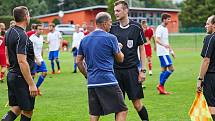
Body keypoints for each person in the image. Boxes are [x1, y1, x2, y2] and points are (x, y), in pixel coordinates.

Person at [77, 12, 127, 121]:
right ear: (104, 24)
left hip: (92, 82)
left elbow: (78, 62)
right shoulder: (111, 38)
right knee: (122, 109)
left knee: (95, 113)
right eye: (110, 23)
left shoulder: (84, 39)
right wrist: (119, 48)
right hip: (107, 80)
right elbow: (120, 59)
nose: (111, 26)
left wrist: (87, 75)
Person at [109, 1, 149, 121]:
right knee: (118, 106)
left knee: (137, 104)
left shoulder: (136, 27)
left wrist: (143, 70)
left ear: (126, 11)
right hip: (116, 71)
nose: (115, 13)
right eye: (115, 10)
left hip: (132, 70)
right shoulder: (112, 28)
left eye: (118, 10)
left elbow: (142, 49)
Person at [1, 6, 38, 121]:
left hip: (12, 74)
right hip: (20, 77)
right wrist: (31, 84)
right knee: (27, 110)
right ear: (26, 17)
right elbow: (22, 61)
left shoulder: (9, 31)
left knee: (16, 108)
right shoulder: (21, 35)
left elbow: (7, 55)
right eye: (29, 15)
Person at [197, 15, 215, 120]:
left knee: (212, 105)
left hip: (211, 77)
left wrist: (200, 79)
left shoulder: (210, 38)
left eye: (208, 23)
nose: (205, 26)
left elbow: (206, 60)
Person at [155, 13, 176, 95]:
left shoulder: (166, 29)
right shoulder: (159, 28)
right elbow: (157, 40)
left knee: (163, 70)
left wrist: (171, 51)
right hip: (162, 53)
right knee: (171, 69)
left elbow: (167, 42)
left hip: (165, 52)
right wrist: (164, 46)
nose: (169, 21)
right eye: (168, 19)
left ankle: (161, 89)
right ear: (164, 20)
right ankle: (160, 85)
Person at [29, 24, 47, 96]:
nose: (41, 30)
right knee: (32, 76)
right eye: (39, 29)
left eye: (42, 29)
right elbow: (30, 50)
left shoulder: (41, 37)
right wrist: (36, 59)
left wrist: (41, 58)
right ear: (36, 30)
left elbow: (41, 48)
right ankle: (31, 90)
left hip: (40, 59)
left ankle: (36, 88)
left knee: (44, 73)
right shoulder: (32, 38)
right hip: (33, 60)